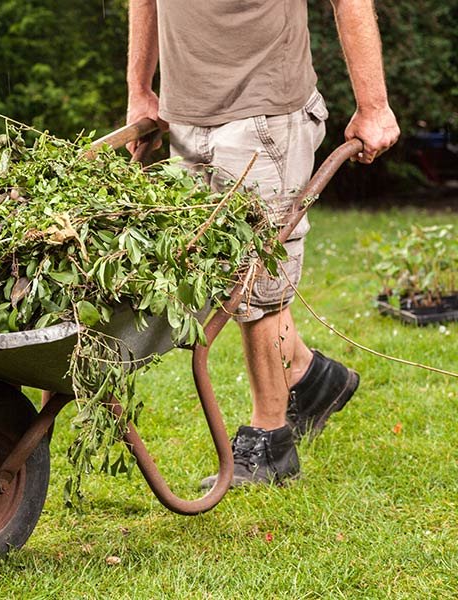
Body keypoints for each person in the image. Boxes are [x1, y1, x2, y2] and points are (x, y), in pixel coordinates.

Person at [126, 0, 400, 488]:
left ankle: (270, 442)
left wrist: (374, 106)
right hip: (185, 115)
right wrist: (141, 92)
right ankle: (309, 375)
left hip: (265, 111)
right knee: (223, 276)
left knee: (257, 279)